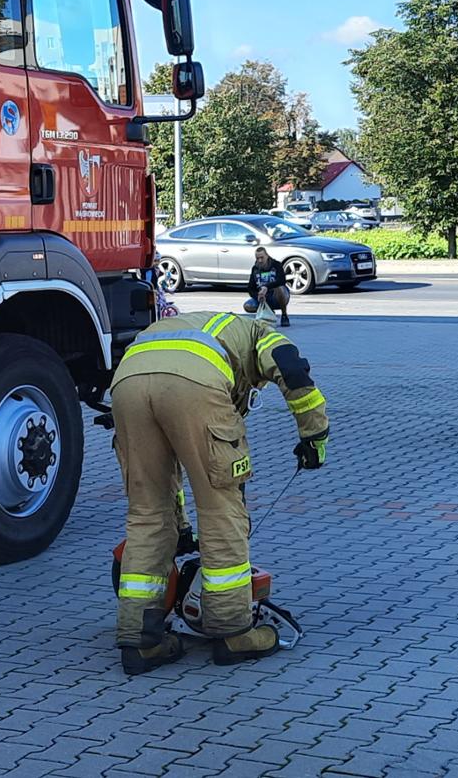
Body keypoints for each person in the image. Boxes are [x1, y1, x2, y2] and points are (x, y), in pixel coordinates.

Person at [111, 311, 328, 674]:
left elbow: (169, 481)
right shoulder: (260, 333)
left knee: (148, 513)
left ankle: (140, 640)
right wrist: (314, 433)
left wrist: (179, 525)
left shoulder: (198, 325)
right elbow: (291, 368)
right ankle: (232, 631)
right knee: (220, 510)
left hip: (127, 383)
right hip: (194, 385)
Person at [245, 247, 292, 326]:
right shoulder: (255, 268)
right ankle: (269, 313)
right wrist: (258, 296)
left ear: (267, 256)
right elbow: (250, 288)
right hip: (263, 297)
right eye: (257, 258)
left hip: (276, 295)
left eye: (262, 257)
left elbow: (282, 281)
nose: (260, 260)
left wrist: (266, 287)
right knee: (248, 306)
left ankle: (284, 315)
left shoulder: (276, 265)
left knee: (280, 288)